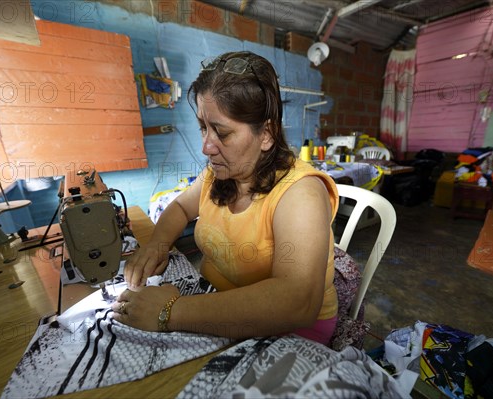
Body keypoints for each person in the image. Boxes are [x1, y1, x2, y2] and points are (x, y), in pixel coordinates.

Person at [112, 51, 339, 345]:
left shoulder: (300, 193)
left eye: (222, 133)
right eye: (203, 128)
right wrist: (156, 245)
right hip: (216, 299)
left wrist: (169, 312)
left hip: (288, 332)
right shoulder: (218, 174)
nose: (206, 146)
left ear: (267, 134)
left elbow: (297, 303)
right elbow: (181, 206)